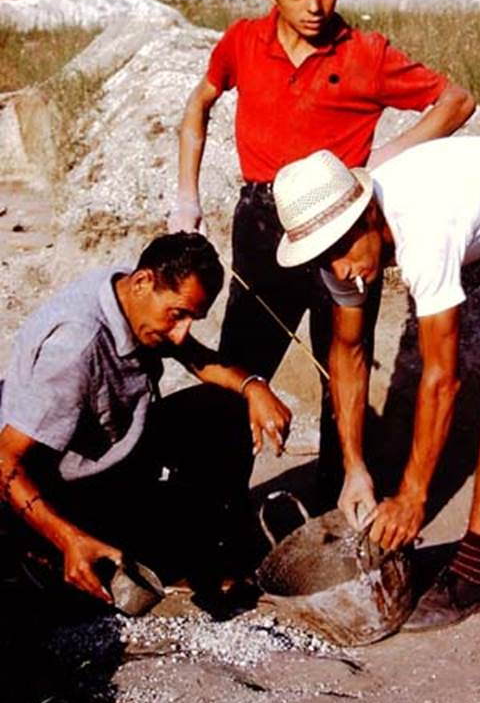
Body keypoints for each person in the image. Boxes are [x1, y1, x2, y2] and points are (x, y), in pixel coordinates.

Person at [168, 0, 475, 505]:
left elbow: (456, 101)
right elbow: (199, 104)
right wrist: (187, 195)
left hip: (344, 229)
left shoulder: (367, 53)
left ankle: (338, 504)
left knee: (343, 362)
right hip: (263, 221)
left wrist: (382, 159)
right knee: (243, 363)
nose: (316, 4)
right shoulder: (242, 42)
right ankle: (216, 507)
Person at [271, 137, 480, 630]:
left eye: (342, 250)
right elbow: (347, 352)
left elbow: (441, 379)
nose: (341, 269)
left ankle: (475, 574)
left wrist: (413, 497)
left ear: (369, 214)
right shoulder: (340, 251)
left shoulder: (424, 228)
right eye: (325, 257)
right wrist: (355, 468)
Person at [0, 232, 290, 607]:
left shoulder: (131, 293)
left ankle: (204, 546)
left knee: (226, 407)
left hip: (117, 457)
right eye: (178, 315)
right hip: (54, 492)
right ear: (142, 282)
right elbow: (6, 459)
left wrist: (254, 386)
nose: (181, 333)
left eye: (192, 318)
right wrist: (67, 538)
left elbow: (196, 357)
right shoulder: (75, 347)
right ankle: (50, 551)